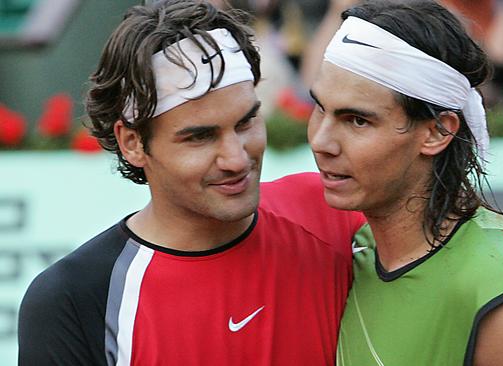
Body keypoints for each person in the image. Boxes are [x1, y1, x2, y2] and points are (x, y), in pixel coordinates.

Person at [17, 1, 365, 365]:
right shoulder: (74, 299)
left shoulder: (335, 213)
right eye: (200, 137)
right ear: (132, 143)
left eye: (246, 122)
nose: (236, 158)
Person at [306, 1, 503, 364]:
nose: (321, 141)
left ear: (437, 132)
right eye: (319, 108)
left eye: (357, 121)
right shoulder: (353, 252)